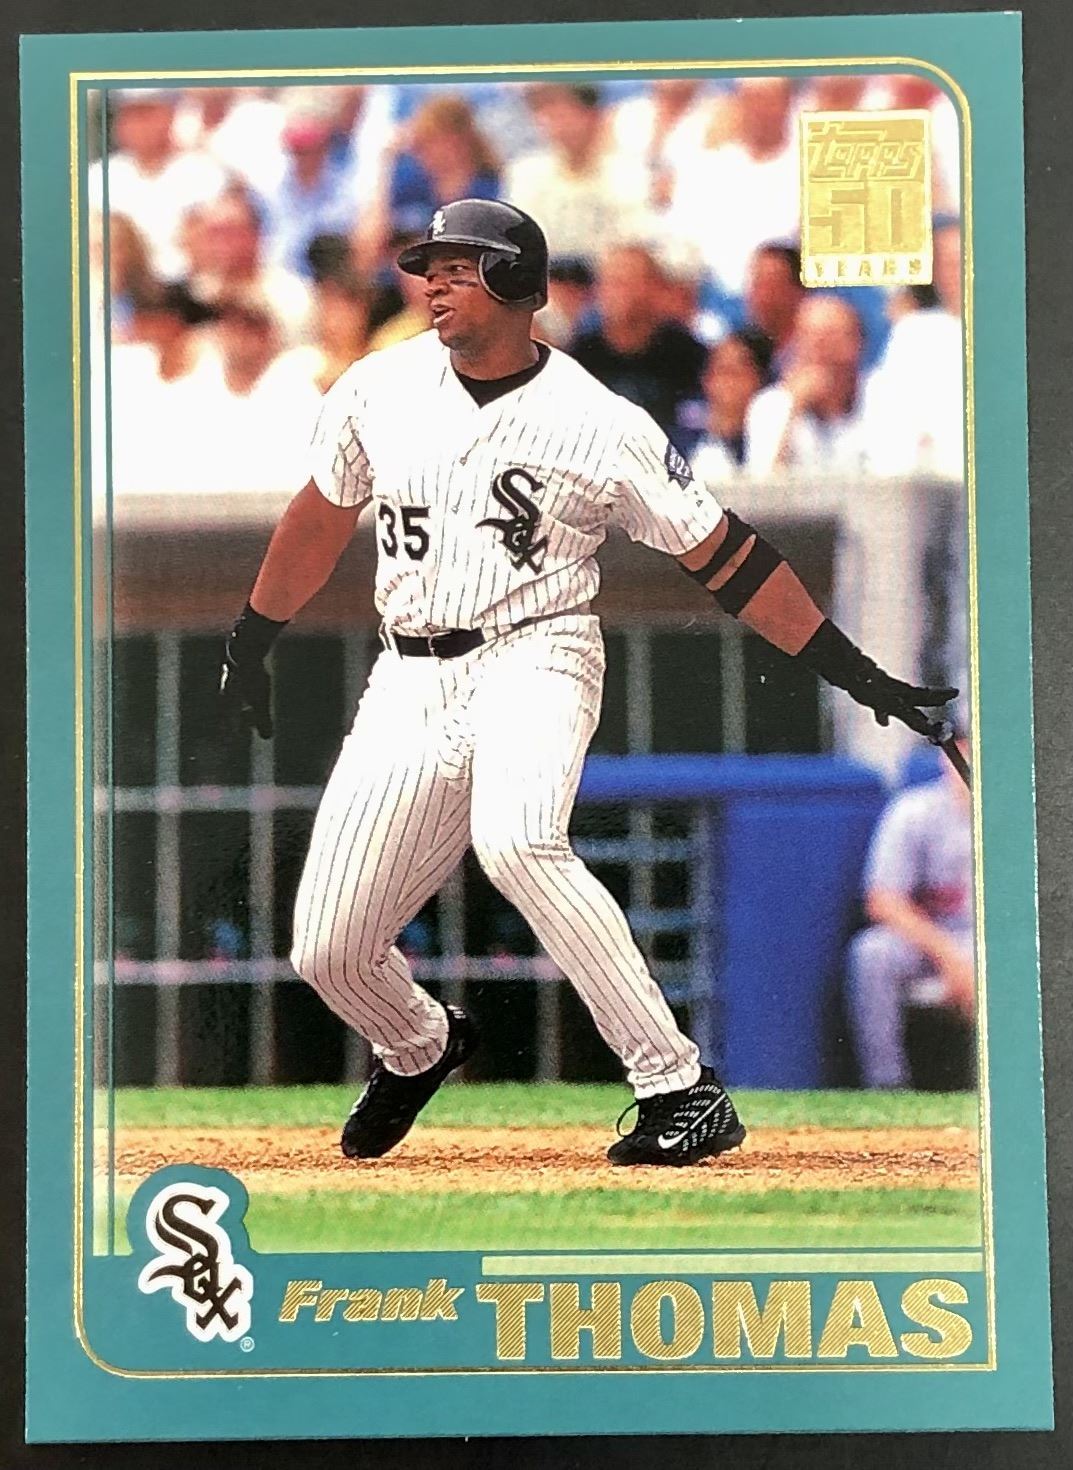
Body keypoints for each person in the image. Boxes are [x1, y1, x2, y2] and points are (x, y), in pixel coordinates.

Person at [219, 198, 956, 1167]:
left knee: (518, 840)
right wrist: (254, 633)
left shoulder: (596, 420)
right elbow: (318, 517)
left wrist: (853, 671)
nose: (432, 283)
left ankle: (678, 1085)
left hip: (537, 650)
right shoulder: (378, 386)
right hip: (408, 673)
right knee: (327, 947)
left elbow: (728, 558)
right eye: (428, 266)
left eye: (457, 266)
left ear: (515, 283)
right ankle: (419, 1043)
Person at [846, 735, 974, 1088]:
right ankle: (887, 1087)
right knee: (872, 952)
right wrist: (949, 957)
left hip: (996, 944)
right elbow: (883, 900)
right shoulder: (914, 810)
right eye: (963, 749)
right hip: (936, 941)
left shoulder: (1024, 812)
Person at [88, 89, 227, 281]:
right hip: (122, 284)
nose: (139, 125)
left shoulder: (203, 172)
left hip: (188, 284)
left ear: (171, 114)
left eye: (147, 114)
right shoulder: (100, 175)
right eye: (130, 114)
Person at [571, 243, 707, 439]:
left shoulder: (689, 355)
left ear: (654, 287)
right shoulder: (580, 356)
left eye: (625, 283)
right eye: (609, 283)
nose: (615, 294)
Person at [504, 85, 651, 261]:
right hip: (549, 271)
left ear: (593, 115)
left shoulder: (628, 174)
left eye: (567, 113)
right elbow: (520, 239)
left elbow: (635, 237)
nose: (561, 126)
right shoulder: (527, 173)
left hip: (607, 271)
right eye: (551, 115)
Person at [745, 295, 873, 475]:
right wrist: (794, 409)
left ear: (858, 342)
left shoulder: (886, 396)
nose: (819, 347)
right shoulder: (770, 405)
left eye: (830, 336)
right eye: (808, 336)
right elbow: (763, 484)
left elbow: (896, 477)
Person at [691, 329, 774, 485]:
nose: (728, 383)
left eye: (737, 372)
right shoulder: (688, 440)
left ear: (758, 379)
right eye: (721, 371)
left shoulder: (773, 435)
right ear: (706, 379)